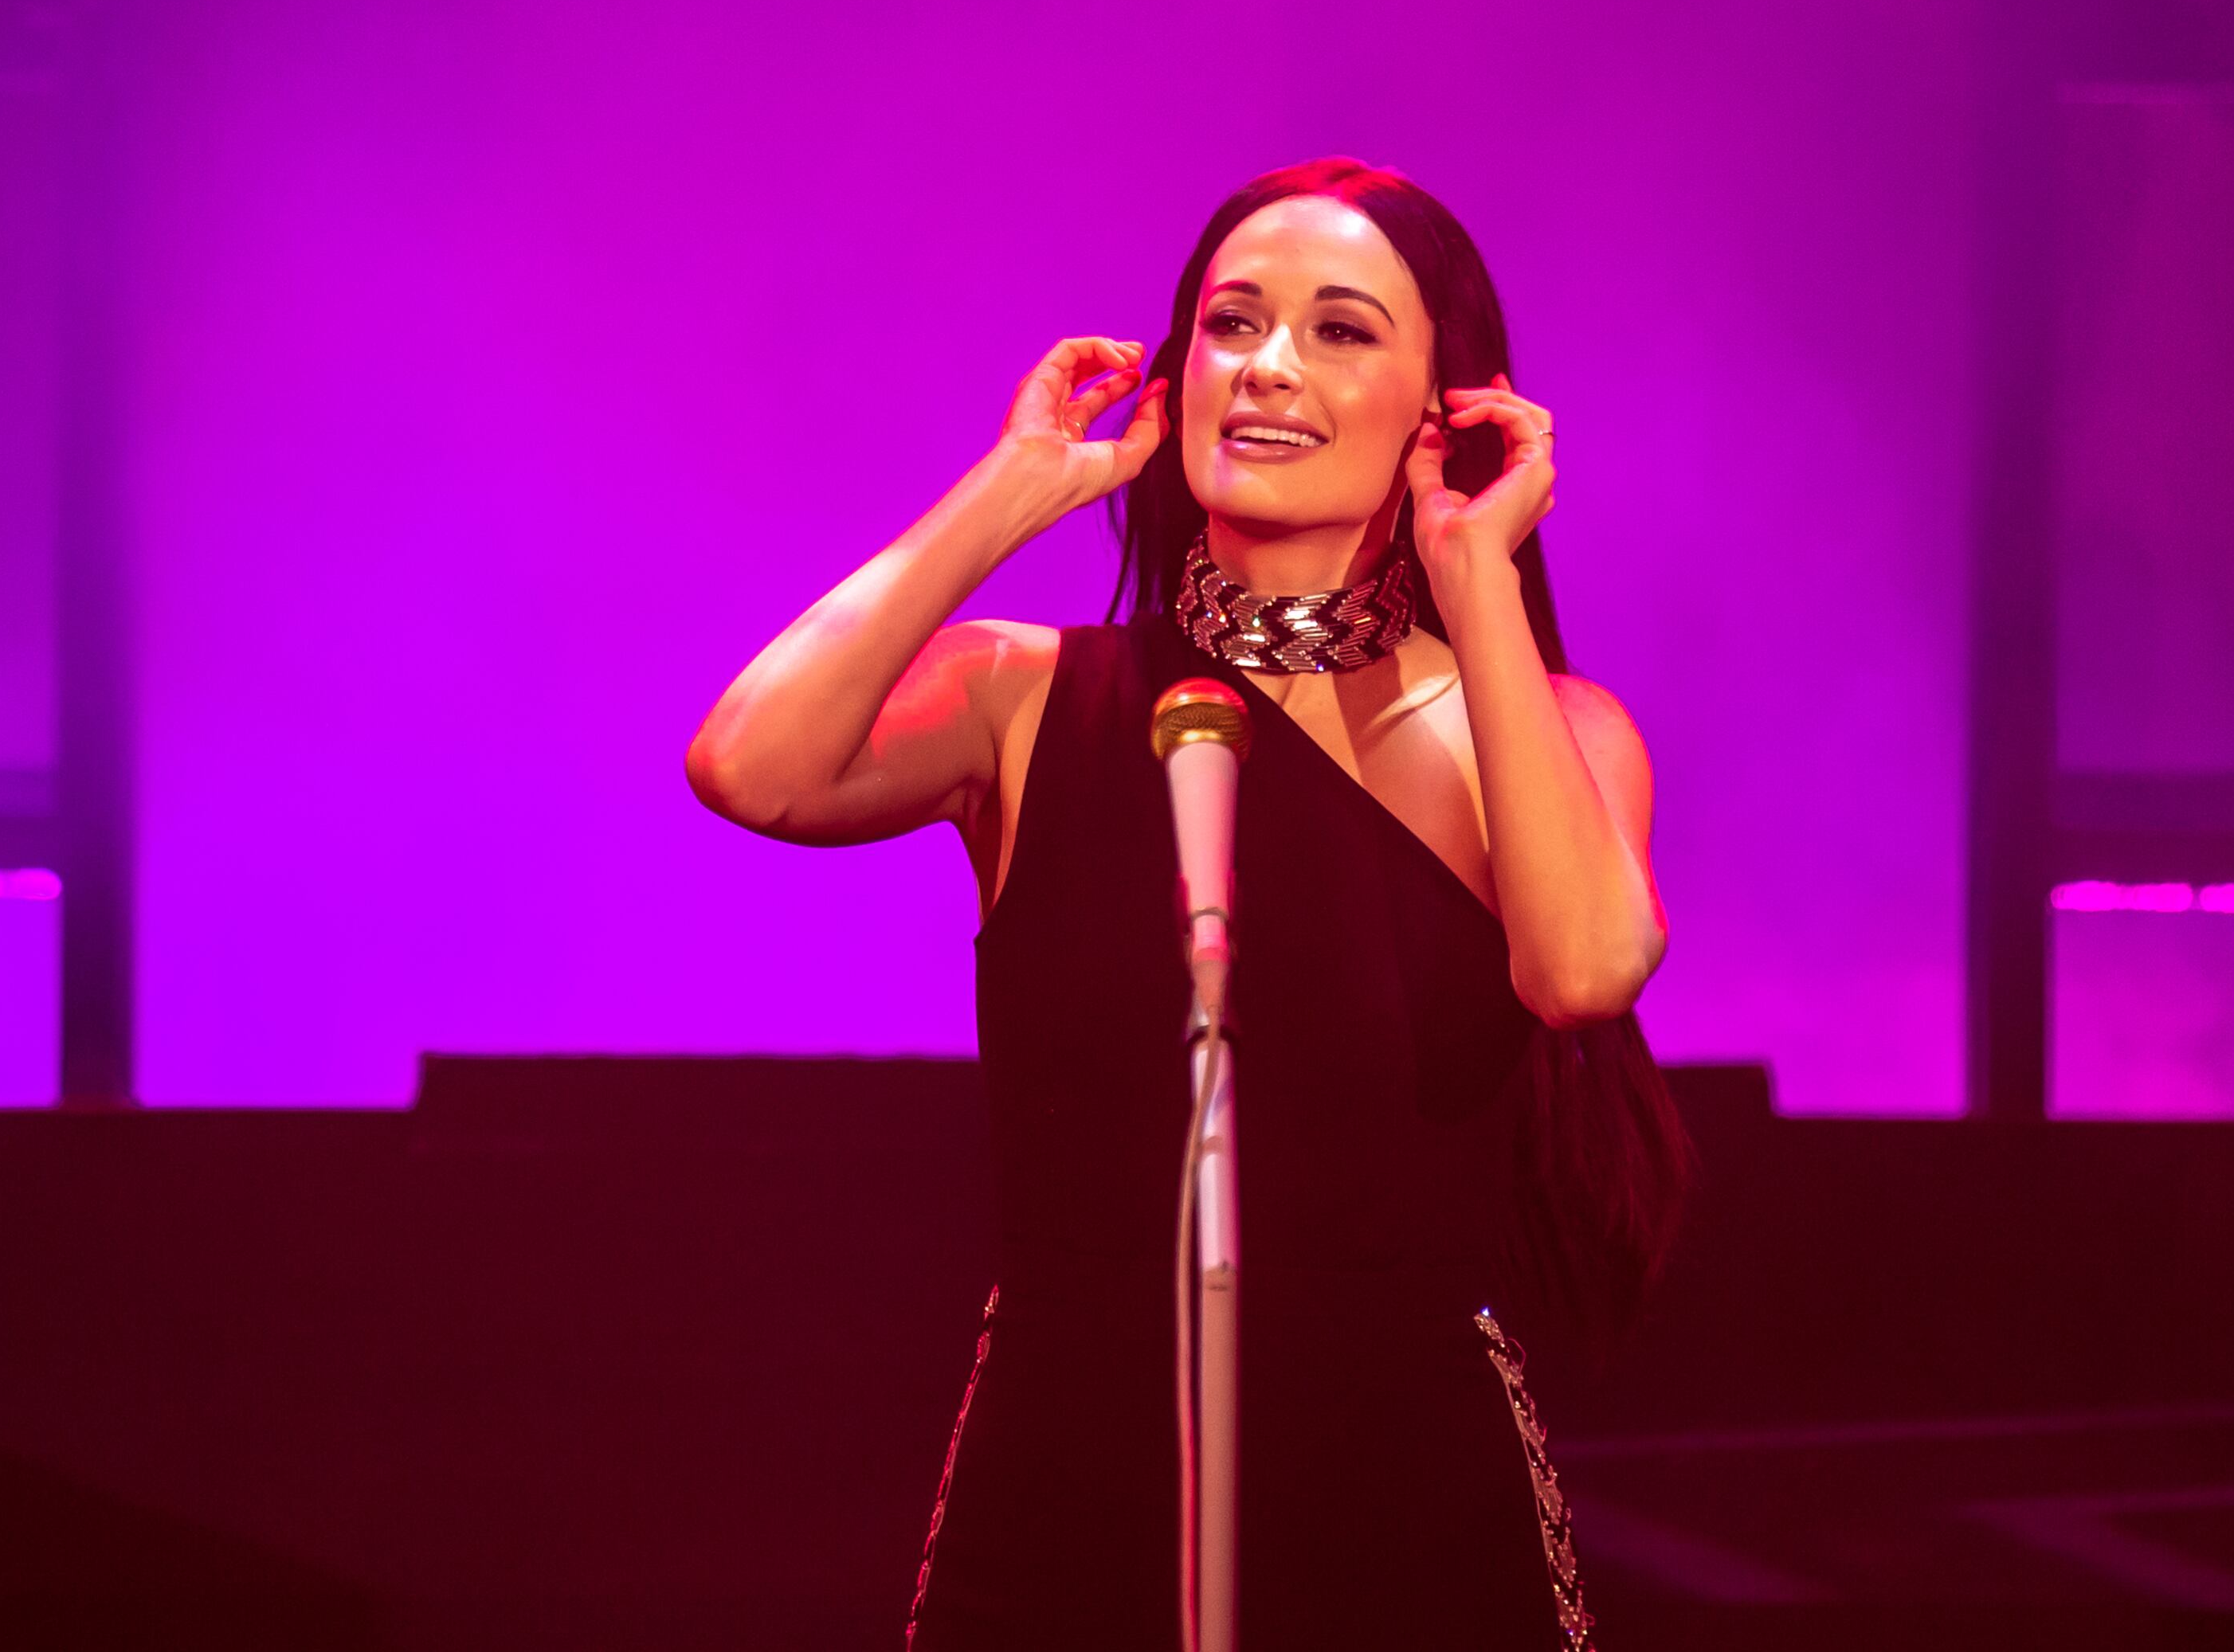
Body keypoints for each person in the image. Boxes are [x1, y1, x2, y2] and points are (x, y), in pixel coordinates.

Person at [685, 159, 1689, 1649]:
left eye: (1342, 330)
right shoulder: (1030, 698)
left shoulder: (1542, 729)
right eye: (1233, 323)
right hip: (1070, 1486)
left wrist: (1474, 570)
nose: (1268, 366)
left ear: (1447, 409)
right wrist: (1010, 493)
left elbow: (1588, 972)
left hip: (1408, 1509)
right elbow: (748, 766)